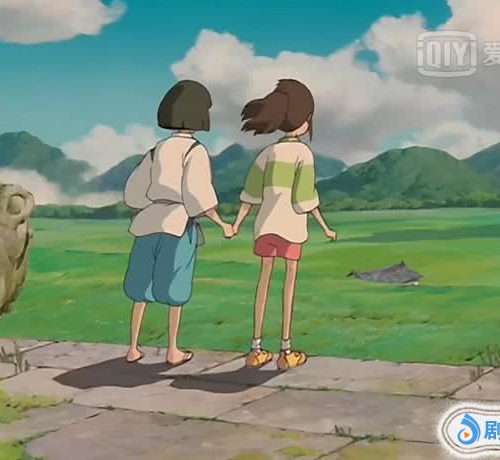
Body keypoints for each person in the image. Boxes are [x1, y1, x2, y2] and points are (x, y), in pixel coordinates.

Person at [122, 80, 234, 367]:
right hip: (178, 225)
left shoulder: (157, 149)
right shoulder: (194, 150)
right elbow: (197, 194)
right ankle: (172, 349)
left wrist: (151, 204)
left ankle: (133, 347)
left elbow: (134, 191)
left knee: (141, 288)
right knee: (175, 288)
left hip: (148, 223)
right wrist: (222, 223)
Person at [231, 79, 338, 371]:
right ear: (304, 120)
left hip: (265, 226)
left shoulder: (266, 154)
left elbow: (250, 194)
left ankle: (255, 349)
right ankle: (285, 350)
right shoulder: (303, 154)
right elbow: (305, 199)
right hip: (290, 228)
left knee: (264, 282)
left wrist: (237, 223)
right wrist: (325, 227)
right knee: (288, 284)